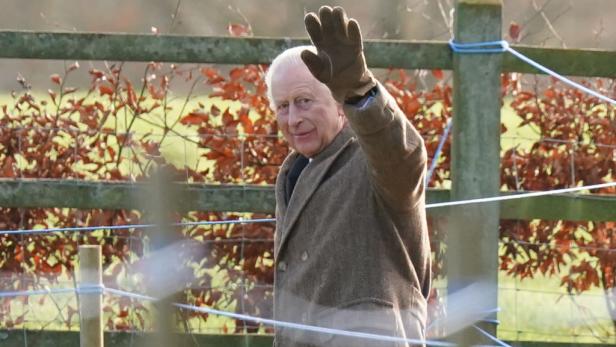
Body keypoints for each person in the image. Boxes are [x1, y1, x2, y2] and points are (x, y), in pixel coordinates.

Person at [265, 6, 431, 347]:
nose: (293, 118)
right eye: (283, 106)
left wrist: (359, 89)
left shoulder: (371, 159)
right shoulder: (294, 172)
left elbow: (404, 156)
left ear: (340, 104)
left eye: (305, 101)